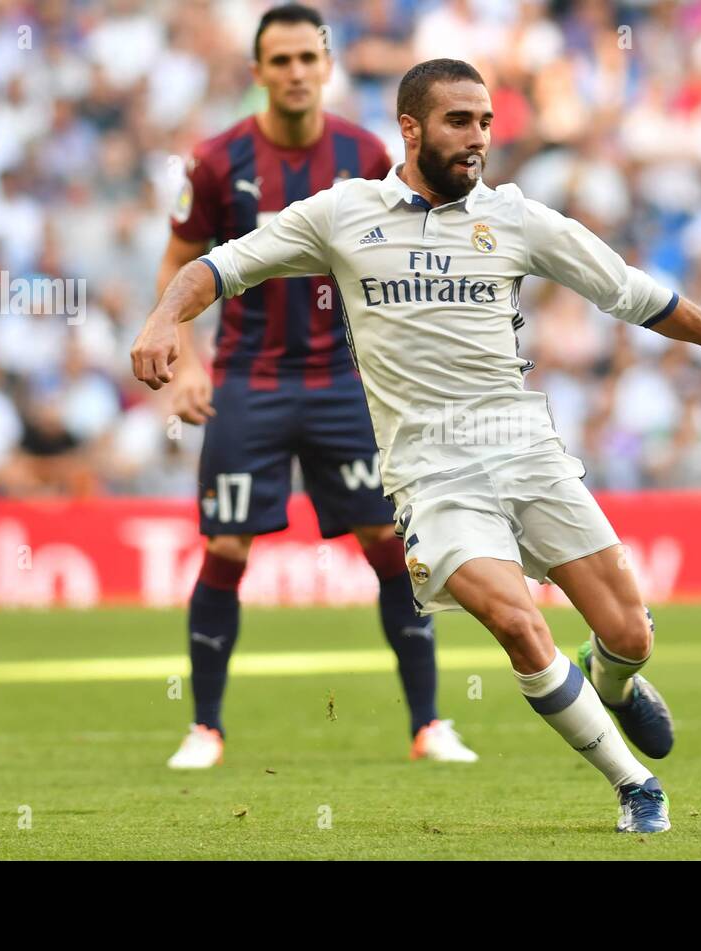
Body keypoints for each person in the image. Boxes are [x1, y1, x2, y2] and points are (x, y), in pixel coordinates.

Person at [133, 58, 701, 832]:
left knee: (630, 633)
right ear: (410, 128)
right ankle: (636, 785)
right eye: (458, 122)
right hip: (430, 473)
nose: (477, 139)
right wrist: (162, 319)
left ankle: (608, 681)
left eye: (484, 122)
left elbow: (636, 293)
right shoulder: (343, 215)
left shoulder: (515, 218)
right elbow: (219, 265)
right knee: (517, 623)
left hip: (525, 450)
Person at [157, 9, 476, 770]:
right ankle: (205, 728)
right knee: (227, 545)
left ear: (327, 66)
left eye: (308, 57)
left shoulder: (364, 154)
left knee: (392, 547)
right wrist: (186, 361)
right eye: (280, 59)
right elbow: (180, 260)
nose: (295, 71)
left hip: (343, 383)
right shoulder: (214, 160)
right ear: (258, 70)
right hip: (246, 380)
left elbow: (399, 259)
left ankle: (428, 724)